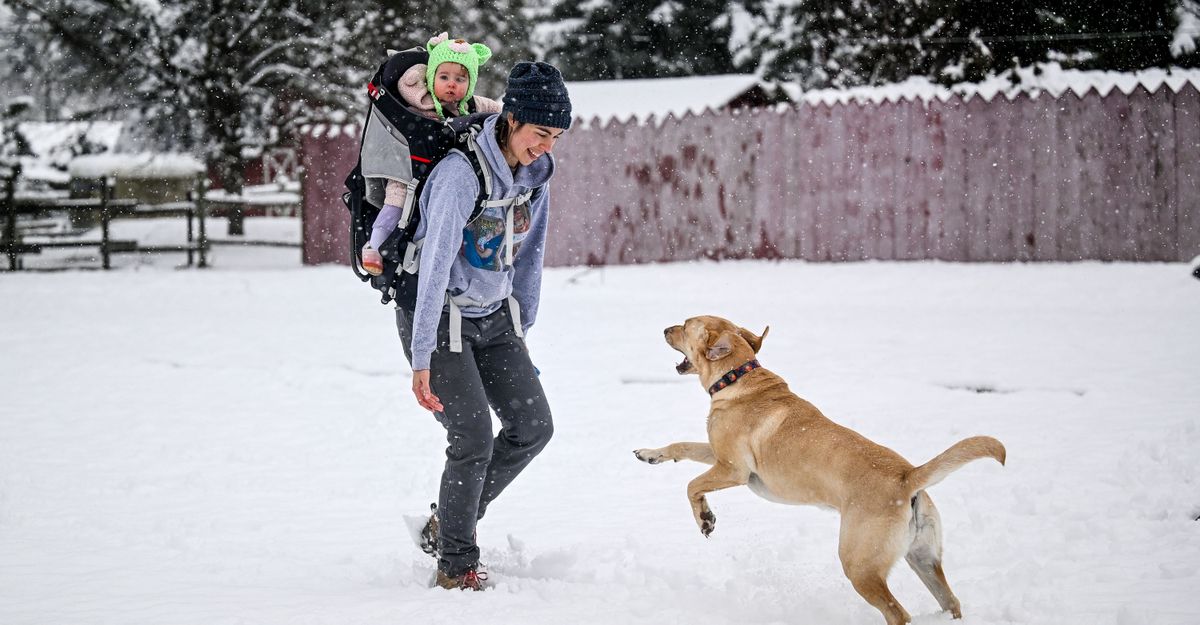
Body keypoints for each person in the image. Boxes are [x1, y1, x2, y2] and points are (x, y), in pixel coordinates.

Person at [395, 61, 572, 591]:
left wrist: (523, 330)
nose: (547, 146)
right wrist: (421, 356)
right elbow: (432, 266)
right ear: (512, 119)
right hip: (441, 317)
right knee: (470, 439)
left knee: (532, 427)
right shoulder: (459, 173)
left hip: (495, 318)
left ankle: (447, 524)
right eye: (540, 133)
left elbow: (528, 256)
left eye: (556, 137)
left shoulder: (534, 176)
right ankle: (456, 565)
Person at [361, 32, 502, 275]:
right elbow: (407, 85)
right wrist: (418, 71)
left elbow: (498, 110)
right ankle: (374, 244)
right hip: (409, 170)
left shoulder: (470, 105)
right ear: (431, 77)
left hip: (447, 174)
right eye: (444, 76)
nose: (451, 84)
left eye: (460, 79)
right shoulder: (421, 102)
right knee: (396, 201)